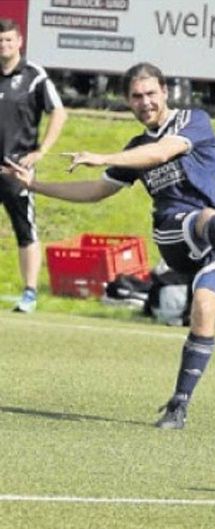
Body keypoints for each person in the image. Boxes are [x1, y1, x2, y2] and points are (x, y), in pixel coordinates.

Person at [1, 62, 215, 430]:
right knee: (196, 219)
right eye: (137, 97)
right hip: (174, 236)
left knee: (205, 308)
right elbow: (95, 191)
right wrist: (35, 185)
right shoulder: (136, 148)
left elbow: (161, 153)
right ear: (128, 102)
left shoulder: (193, 121)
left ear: (166, 92)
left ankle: (179, 405)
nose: (145, 102)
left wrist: (103, 157)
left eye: (151, 94)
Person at [0, 18, 68, 313]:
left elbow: (59, 113)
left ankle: (29, 293)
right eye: (0, 41)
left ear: (19, 42)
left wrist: (41, 151)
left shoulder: (34, 75)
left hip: (16, 168)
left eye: (8, 40)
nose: (4, 45)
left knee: (24, 229)